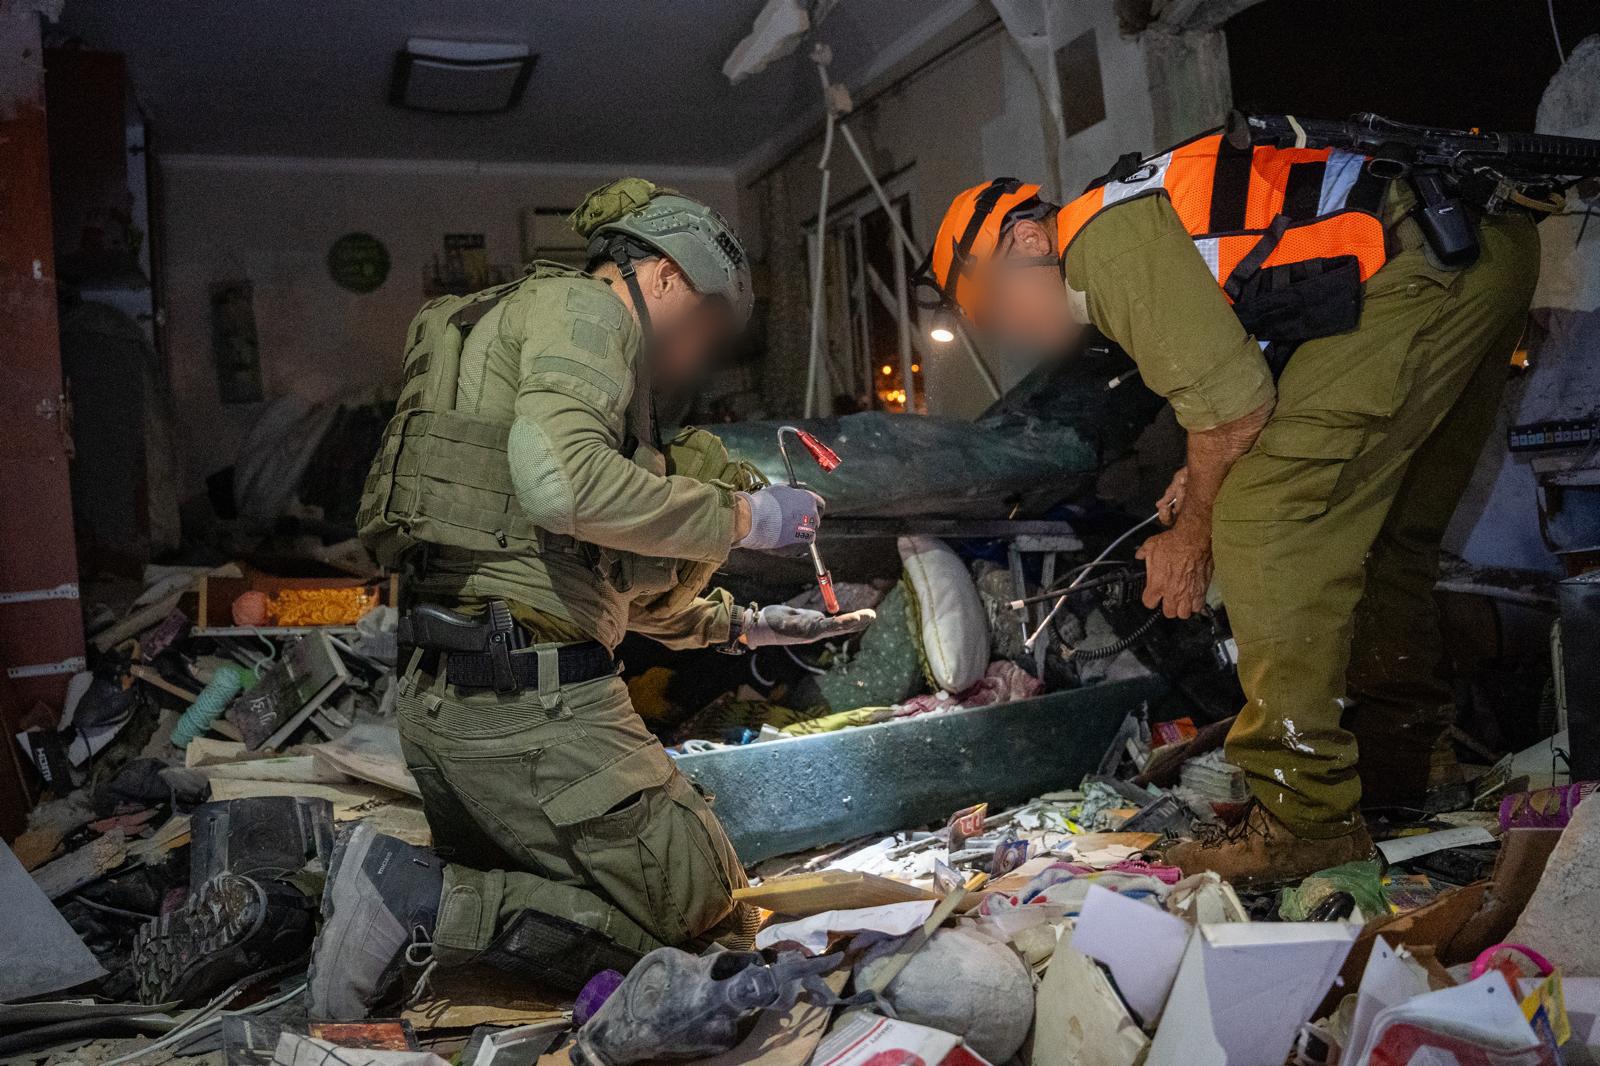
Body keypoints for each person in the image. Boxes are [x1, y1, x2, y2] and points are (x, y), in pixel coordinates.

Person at [921, 131, 1539, 885]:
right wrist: (1198, 470)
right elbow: (1268, 343)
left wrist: (1193, 535)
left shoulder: (1097, 244)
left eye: (993, 306)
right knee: (1379, 531)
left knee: (1263, 522)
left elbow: (1235, 413)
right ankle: (1405, 761)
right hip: (1479, 246)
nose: (1007, 333)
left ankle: (1303, 816)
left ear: (1025, 240)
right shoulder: (1135, 221)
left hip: (1422, 254)